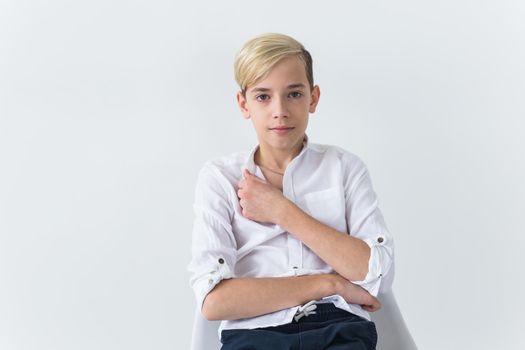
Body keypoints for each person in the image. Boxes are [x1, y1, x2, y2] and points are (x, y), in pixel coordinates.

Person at [188, 33, 394, 350]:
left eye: (294, 94)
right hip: (255, 333)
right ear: (243, 104)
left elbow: (375, 273)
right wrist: (328, 283)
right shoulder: (219, 178)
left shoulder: (344, 168)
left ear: (313, 98)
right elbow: (215, 300)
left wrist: (281, 210)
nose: (280, 110)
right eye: (263, 97)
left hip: (339, 327)